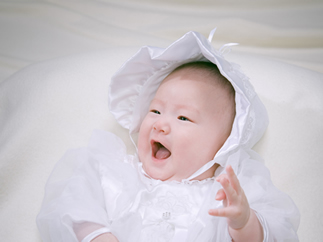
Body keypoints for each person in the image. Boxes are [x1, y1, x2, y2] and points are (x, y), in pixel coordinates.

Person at [37, 30, 300, 242]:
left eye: (183, 117)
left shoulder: (225, 195)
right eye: (155, 110)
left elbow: (279, 233)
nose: (161, 124)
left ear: (225, 144)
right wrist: (98, 236)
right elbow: (72, 204)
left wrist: (244, 223)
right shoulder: (116, 175)